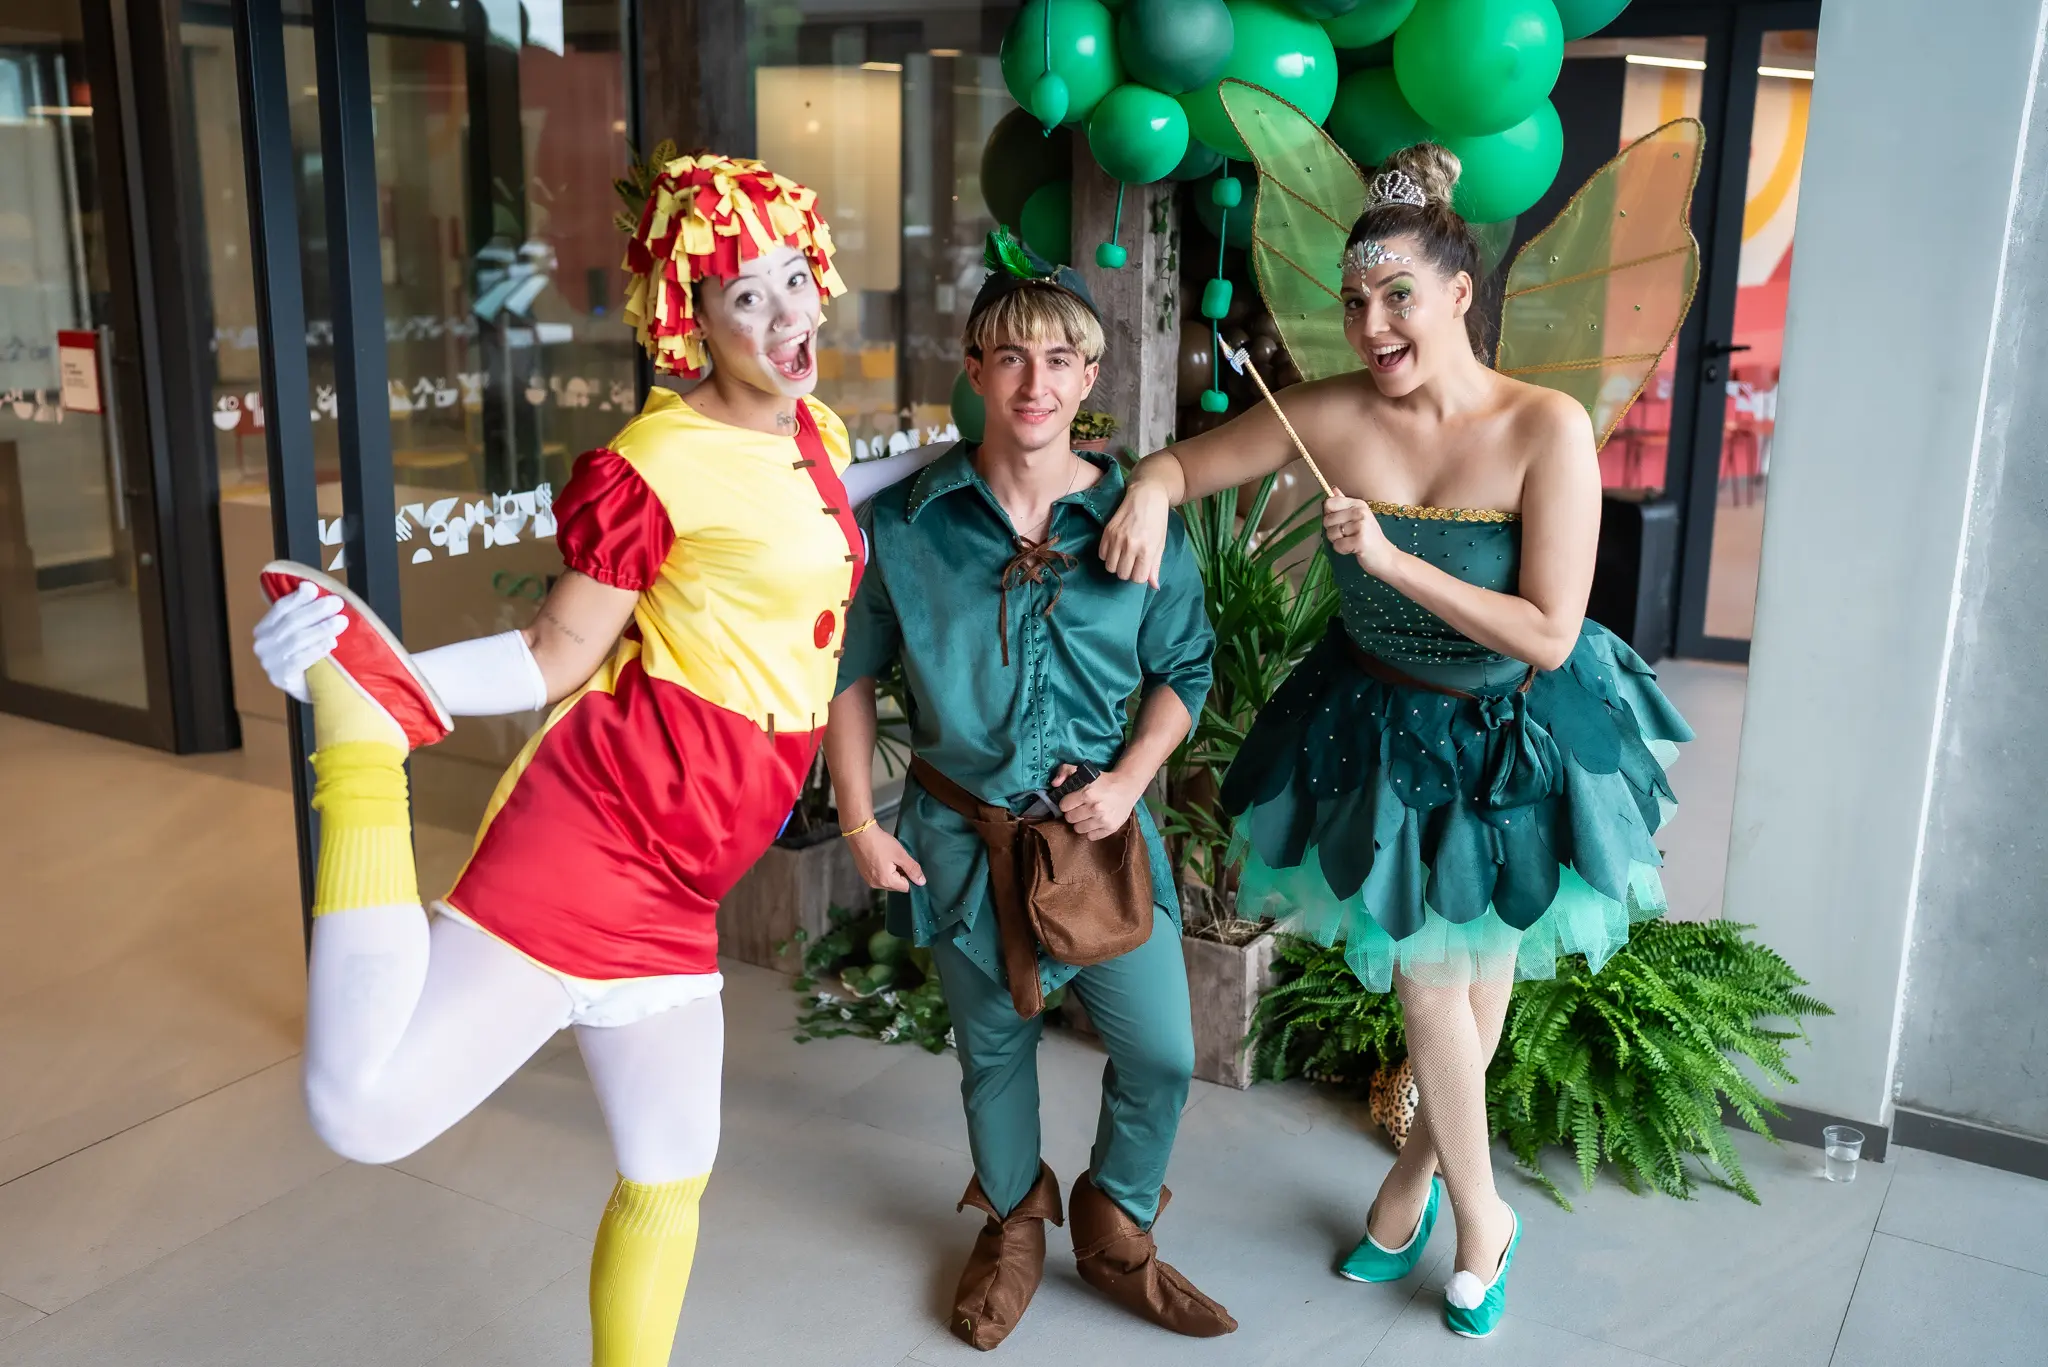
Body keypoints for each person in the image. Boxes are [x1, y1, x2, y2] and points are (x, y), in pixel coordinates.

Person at [246, 153, 938, 1367]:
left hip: (686, 881)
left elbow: (819, 500)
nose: (785, 315)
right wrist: (389, 674)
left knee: (667, 1175)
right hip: (602, 834)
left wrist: (940, 458)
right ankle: (360, 740)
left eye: (793, 279)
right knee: (363, 1110)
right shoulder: (655, 460)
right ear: (692, 318)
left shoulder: (814, 429)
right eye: (744, 296)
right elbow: (553, 649)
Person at [1098, 145, 1693, 1341]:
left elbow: (1546, 631)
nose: (1370, 324)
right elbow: (1177, 461)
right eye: (1353, 300)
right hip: (1378, 721)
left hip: (1516, 724)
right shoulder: (1327, 413)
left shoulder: (1544, 427)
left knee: (1476, 970)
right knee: (1433, 971)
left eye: (1397, 295)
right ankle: (1477, 1214)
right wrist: (1151, 490)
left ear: (1458, 293)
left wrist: (1388, 557)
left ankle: (1439, 1194)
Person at [824, 230, 1234, 1351]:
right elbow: (849, 674)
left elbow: (1184, 671)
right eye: (1010, 357)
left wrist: (1130, 779)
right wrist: (857, 817)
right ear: (974, 366)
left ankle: (1114, 1221)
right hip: (964, 840)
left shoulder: (1136, 519)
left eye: (1058, 359)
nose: (1034, 382)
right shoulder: (905, 526)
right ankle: (1009, 1224)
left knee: (1161, 1051)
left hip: (1100, 840)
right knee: (993, 1055)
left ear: (1089, 376)